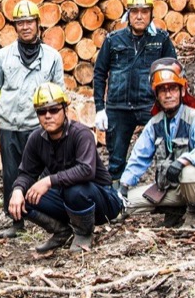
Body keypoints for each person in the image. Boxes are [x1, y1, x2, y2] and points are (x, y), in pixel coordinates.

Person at [10, 83, 122, 252]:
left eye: (54, 110)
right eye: (42, 111)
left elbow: (86, 170)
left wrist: (48, 181)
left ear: (65, 110)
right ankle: (61, 231)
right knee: (24, 197)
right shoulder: (36, 139)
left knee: (75, 189)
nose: (48, 116)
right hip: (67, 199)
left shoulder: (82, 134)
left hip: (102, 200)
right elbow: (26, 172)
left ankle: (84, 233)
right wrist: (18, 190)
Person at [0, 0, 64, 239]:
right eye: (20, 23)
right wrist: (12, 106)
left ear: (38, 24)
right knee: (12, 173)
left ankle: (48, 219)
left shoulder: (52, 57)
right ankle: (16, 222)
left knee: (43, 174)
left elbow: (58, 91)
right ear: (15, 27)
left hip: (39, 126)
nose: (25, 27)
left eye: (29, 22)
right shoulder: (3, 56)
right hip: (10, 124)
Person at [93, 0, 177, 188]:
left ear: (151, 14)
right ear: (128, 14)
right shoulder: (114, 40)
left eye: (144, 11)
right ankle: (115, 205)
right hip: (119, 108)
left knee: (165, 152)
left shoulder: (161, 40)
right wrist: (99, 108)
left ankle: (167, 200)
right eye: (135, 11)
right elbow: (99, 73)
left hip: (150, 107)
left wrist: (171, 106)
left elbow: (173, 72)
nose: (139, 16)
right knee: (116, 160)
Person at [119, 58, 195, 229]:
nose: (168, 94)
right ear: (156, 95)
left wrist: (183, 161)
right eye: (162, 90)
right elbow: (139, 157)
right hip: (167, 189)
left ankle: (194, 213)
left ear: (182, 91)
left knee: (189, 175)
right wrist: (124, 185)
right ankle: (175, 210)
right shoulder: (154, 124)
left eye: (172, 89)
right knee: (126, 204)